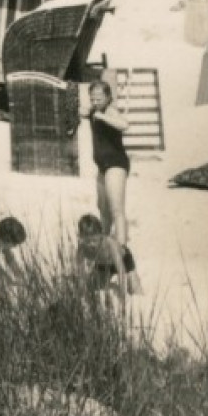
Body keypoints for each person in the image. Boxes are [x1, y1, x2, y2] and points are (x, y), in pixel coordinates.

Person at [83, 80, 132, 280]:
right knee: (103, 211)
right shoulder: (93, 111)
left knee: (116, 209)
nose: (95, 101)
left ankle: (121, 250)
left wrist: (101, 115)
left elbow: (124, 124)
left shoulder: (110, 111)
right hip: (102, 167)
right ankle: (105, 249)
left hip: (116, 164)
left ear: (108, 98)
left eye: (99, 98)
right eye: (93, 98)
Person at [77, 213, 141, 301]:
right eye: (87, 241)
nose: (92, 244)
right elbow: (80, 271)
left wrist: (122, 296)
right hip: (102, 265)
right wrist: (82, 292)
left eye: (95, 240)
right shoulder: (81, 248)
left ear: (102, 235)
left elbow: (121, 270)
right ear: (81, 237)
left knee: (135, 289)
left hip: (124, 260)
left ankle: (134, 282)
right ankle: (113, 285)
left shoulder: (110, 244)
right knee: (93, 286)